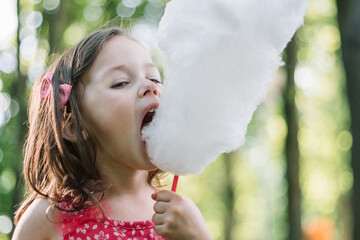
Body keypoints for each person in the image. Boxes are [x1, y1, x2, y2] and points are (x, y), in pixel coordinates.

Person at [12, 27, 212, 240]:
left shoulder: (178, 215)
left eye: (154, 78)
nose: (150, 87)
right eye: (121, 82)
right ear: (72, 125)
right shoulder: (49, 218)